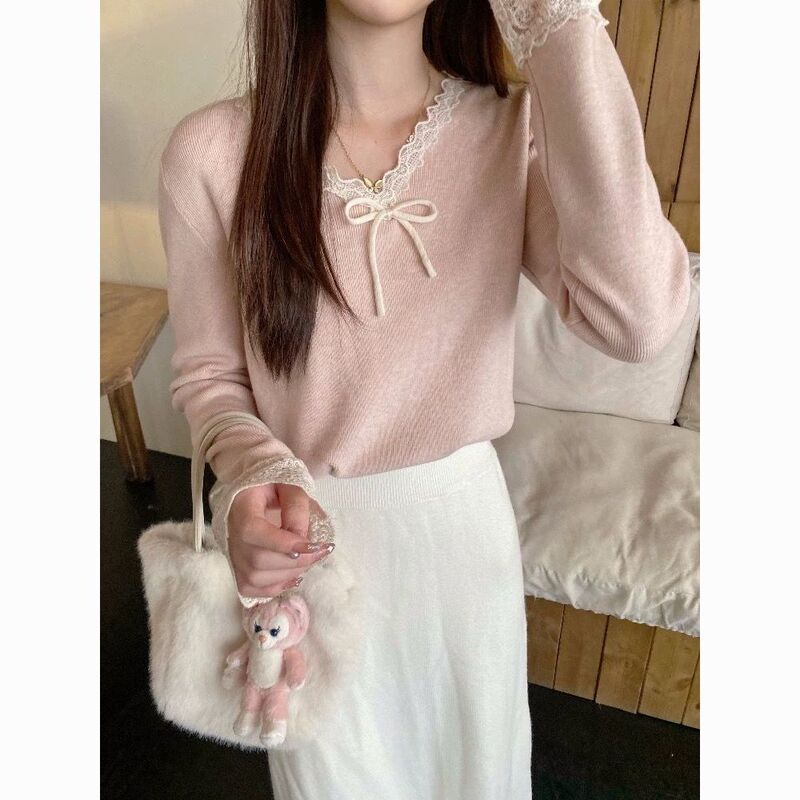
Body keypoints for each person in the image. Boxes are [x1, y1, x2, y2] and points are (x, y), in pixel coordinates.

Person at [157, 1, 691, 797]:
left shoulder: (511, 132)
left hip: (463, 552)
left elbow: (639, 319)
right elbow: (210, 378)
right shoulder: (212, 152)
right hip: (311, 561)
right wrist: (251, 477)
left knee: (477, 775)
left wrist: (561, 28)